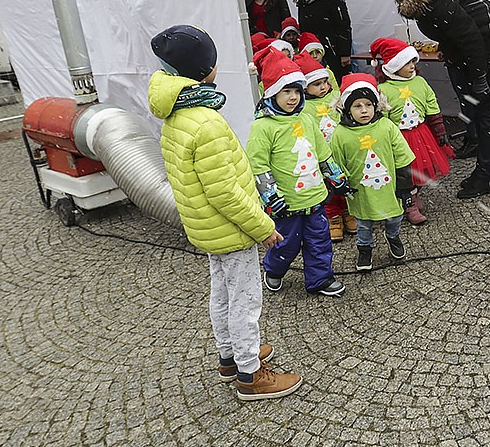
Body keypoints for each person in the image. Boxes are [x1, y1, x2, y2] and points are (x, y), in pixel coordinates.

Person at [147, 24, 301, 401]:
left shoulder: (176, 114)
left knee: (222, 292)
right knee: (245, 300)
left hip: (207, 228)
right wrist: (264, 228)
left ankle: (229, 356)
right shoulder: (206, 122)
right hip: (230, 229)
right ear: (205, 70)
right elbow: (225, 192)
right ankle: (251, 374)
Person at [374, 0, 490, 199]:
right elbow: (454, 31)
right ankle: (479, 154)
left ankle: (487, 176)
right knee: (476, 107)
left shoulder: (435, 0)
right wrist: (448, 49)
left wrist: (480, 79)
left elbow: (471, 38)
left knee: (488, 113)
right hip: (479, 51)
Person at [246, 46, 353, 296]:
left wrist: (337, 178)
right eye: (286, 91)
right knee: (287, 244)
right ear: (272, 92)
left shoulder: (305, 119)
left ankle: (320, 279)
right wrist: (271, 196)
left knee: (320, 241)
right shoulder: (263, 127)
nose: (293, 97)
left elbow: (322, 152)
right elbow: (257, 165)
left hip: (315, 197)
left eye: (296, 91)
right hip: (287, 203)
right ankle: (274, 269)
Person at [329, 73, 417, 272]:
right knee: (363, 223)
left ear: (376, 105)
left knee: (395, 217)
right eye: (357, 106)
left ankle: (393, 236)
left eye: (368, 104)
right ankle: (365, 248)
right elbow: (337, 162)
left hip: (390, 187)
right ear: (347, 108)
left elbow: (402, 156)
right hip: (360, 191)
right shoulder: (341, 134)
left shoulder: (386, 126)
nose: (364, 110)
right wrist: (341, 184)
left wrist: (405, 185)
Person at [371, 37, 455, 225]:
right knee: (405, 173)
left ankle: (414, 196)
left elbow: (431, 104)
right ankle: (409, 204)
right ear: (393, 66)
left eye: (412, 62)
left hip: (420, 133)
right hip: (399, 137)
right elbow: (382, 117)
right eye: (406, 62)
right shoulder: (384, 89)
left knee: (421, 169)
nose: (411, 66)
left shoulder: (420, 82)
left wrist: (439, 129)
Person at [293, 49, 354, 241]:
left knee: (344, 181)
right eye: (317, 84)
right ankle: (333, 217)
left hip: (340, 150)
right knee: (327, 187)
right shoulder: (303, 107)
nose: (323, 87)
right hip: (320, 155)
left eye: (325, 82)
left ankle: (348, 212)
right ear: (305, 87)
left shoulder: (335, 97)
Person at [293, 0, 353, 79]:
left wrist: (344, 53)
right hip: (314, 51)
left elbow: (343, 24)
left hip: (333, 49)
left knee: (338, 80)